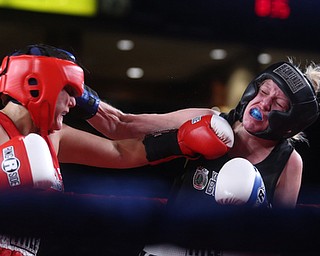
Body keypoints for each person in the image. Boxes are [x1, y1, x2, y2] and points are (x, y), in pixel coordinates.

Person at [0, 44, 235, 256]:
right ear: (38, 85)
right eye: (69, 92)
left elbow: (119, 151)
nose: (73, 103)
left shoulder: (52, 136)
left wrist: (180, 142)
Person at [81, 60, 320, 254]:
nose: (263, 103)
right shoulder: (209, 121)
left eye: (278, 102)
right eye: (264, 91)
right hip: (169, 248)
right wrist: (78, 95)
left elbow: (280, 240)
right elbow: (122, 125)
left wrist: (258, 208)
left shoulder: (288, 161)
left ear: (290, 121)